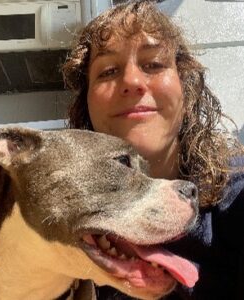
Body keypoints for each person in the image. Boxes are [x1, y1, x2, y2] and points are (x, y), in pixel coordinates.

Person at [62, 1, 244, 299]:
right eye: (108, 71)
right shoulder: (64, 225)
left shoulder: (236, 195)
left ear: (186, 93)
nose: (132, 82)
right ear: (86, 108)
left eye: (154, 65)